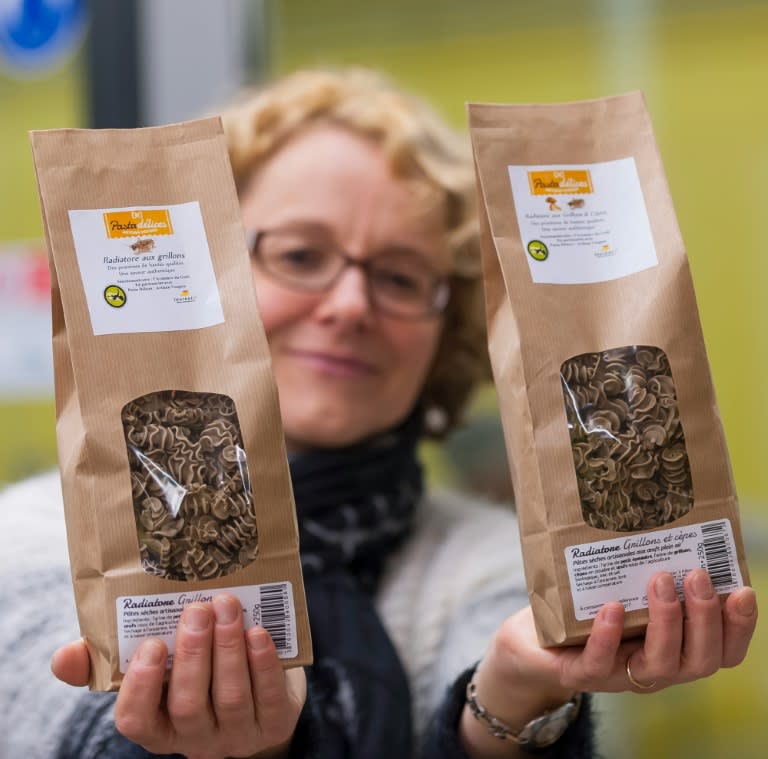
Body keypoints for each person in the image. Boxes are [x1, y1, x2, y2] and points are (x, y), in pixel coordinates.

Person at [0, 68, 757, 759]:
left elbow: (505, 676)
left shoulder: (491, 566)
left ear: (447, 325)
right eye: (299, 256)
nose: (352, 305)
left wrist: (520, 700)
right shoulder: (35, 548)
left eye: (400, 277)